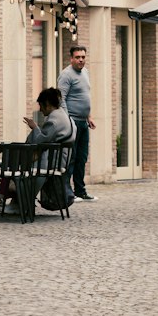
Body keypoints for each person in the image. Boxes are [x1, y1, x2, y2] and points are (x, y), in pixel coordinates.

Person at [23, 86, 76, 204]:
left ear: (47, 104)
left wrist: (34, 127)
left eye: (41, 106)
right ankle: (16, 197)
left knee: (17, 162)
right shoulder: (63, 115)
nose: (40, 110)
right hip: (60, 159)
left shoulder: (54, 120)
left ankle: (17, 198)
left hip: (52, 161)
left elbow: (39, 140)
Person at [57, 44, 96, 200]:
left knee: (82, 157)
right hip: (72, 122)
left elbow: (85, 97)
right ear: (71, 58)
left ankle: (80, 191)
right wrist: (68, 121)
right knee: (70, 158)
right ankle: (68, 193)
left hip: (83, 122)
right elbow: (61, 99)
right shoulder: (66, 75)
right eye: (78, 57)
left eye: (83, 57)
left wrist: (89, 117)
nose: (81, 60)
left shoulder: (85, 72)